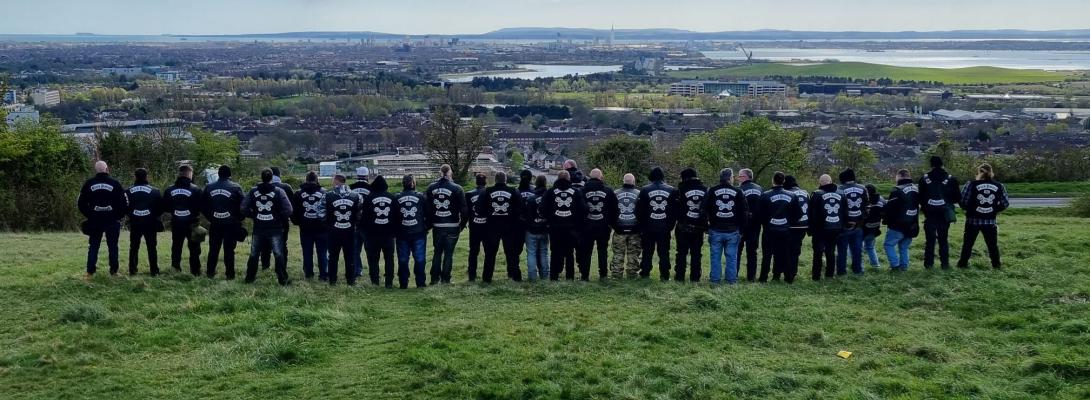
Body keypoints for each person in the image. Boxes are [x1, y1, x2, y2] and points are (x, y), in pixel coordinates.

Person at [242, 169, 293, 285]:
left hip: (259, 227)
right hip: (275, 228)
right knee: (279, 254)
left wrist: (254, 215)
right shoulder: (279, 191)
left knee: (254, 254)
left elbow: (243, 208)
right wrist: (278, 217)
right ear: (271, 178)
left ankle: (249, 278)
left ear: (261, 177)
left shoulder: (253, 191)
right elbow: (289, 209)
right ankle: (283, 280)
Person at [78, 161, 127, 278]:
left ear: (96, 170)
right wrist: (117, 216)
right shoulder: (115, 183)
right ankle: (114, 272)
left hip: (95, 221)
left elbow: (80, 203)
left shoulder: (89, 183)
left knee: (94, 246)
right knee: (113, 246)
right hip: (112, 221)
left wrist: (90, 214)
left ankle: (90, 272)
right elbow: (124, 203)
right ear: (107, 169)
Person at [957, 163, 1009, 270]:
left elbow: (962, 201)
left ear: (978, 172)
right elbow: (1005, 203)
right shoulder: (999, 186)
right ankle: (996, 265)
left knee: (967, 245)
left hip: (972, 221)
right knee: (992, 246)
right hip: (990, 221)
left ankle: (962, 265)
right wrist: (994, 210)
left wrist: (968, 209)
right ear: (991, 172)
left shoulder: (971, 184)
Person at [477, 172, 524, 283]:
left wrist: (489, 214)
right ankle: (515, 276)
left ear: (495, 180)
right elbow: (521, 208)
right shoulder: (514, 191)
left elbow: (479, 209)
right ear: (506, 179)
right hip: (510, 227)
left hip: (491, 227)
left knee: (490, 254)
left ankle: (487, 278)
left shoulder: (486, 191)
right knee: (512, 253)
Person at [703, 168, 748, 285]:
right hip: (733, 231)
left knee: (715, 257)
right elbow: (744, 212)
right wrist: (742, 229)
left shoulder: (711, 190)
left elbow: (703, 210)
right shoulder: (738, 191)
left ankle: (715, 281)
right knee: (732, 257)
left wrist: (706, 227)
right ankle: (731, 282)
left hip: (715, 229)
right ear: (731, 178)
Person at [757, 172, 803, 283]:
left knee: (767, 255)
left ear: (773, 180)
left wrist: (765, 223)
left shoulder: (765, 195)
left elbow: (758, 214)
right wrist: (789, 222)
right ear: (783, 181)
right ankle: (787, 278)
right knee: (784, 254)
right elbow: (799, 214)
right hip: (785, 230)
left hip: (769, 230)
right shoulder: (792, 196)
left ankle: (763, 278)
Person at [425, 164, 466, 285]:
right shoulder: (457, 188)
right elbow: (464, 210)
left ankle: (434, 279)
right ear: (450, 173)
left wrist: (429, 225)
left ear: (440, 173)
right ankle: (446, 279)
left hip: (437, 225)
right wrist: (462, 225)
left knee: (437, 252)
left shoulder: (431, 188)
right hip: (452, 225)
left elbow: (427, 209)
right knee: (449, 253)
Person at [541, 170, 585, 280]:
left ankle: (554, 277)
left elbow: (541, 209)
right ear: (569, 179)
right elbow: (583, 209)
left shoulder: (550, 192)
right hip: (571, 228)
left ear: (557, 178)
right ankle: (570, 277)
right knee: (569, 253)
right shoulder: (576, 192)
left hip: (555, 228)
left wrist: (549, 219)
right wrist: (576, 222)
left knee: (555, 252)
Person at [918, 156, 961, 269]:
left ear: (931, 165)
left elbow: (920, 198)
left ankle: (928, 264)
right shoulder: (951, 179)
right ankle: (945, 264)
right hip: (944, 214)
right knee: (943, 240)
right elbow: (957, 198)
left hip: (929, 214)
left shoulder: (924, 179)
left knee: (930, 241)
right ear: (942, 164)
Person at [636, 167, 677, 281]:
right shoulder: (672, 190)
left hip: (648, 228)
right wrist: (670, 226)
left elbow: (639, 211)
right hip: (664, 228)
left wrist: (642, 226)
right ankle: (665, 275)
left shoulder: (644, 190)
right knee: (664, 252)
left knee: (647, 251)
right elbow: (674, 211)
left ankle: (645, 273)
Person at [203, 165, 244, 279]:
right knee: (229, 250)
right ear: (229, 175)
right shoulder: (236, 187)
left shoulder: (209, 187)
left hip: (215, 223)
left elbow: (203, 205)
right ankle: (230, 275)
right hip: (231, 224)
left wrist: (210, 217)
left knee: (214, 249)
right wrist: (239, 219)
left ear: (219, 174)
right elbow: (243, 206)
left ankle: (210, 273)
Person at [164, 164, 203, 276]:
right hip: (193, 223)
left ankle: (175, 268)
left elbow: (166, 207)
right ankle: (195, 271)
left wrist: (176, 211)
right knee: (195, 248)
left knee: (176, 246)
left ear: (179, 174)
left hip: (176, 222)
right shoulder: (196, 189)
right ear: (189, 174)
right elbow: (200, 206)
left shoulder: (169, 189)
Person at [578, 168, 617, 280]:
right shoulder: (609, 191)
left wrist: (581, 224)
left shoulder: (582, 191)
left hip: (586, 227)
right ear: (601, 177)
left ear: (590, 177)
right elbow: (615, 209)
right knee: (602, 251)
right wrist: (611, 224)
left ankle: (584, 276)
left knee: (586, 252)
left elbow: (578, 209)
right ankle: (603, 275)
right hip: (603, 226)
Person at [360, 175, 399, 287]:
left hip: (372, 235)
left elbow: (364, 218)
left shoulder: (368, 198)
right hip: (388, 235)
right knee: (389, 259)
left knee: (373, 259)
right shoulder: (392, 198)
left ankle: (375, 281)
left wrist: (364, 232)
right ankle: (389, 282)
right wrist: (394, 232)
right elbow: (397, 217)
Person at [671, 168, 707, 282]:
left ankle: (679, 277)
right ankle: (695, 278)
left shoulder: (680, 190)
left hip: (683, 227)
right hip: (699, 228)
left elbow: (675, 209)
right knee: (696, 254)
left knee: (681, 253)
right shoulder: (705, 190)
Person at [324, 174, 361, 285]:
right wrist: (354, 223)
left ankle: (332, 280)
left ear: (336, 181)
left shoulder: (327, 195)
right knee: (350, 256)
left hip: (333, 231)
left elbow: (320, 213)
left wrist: (327, 223)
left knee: (333, 257)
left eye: (332, 180)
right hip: (350, 231)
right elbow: (360, 214)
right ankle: (351, 280)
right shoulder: (356, 196)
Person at [125, 168, 163, 276]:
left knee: (134, 247)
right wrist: (152, 215)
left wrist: (132, 215)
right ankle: (154, 271)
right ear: (147, 177)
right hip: (150, 223)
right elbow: (160, 208)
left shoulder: (127, 191)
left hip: (135, 222)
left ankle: (132, 270)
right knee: (152, 247)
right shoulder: (155, 191)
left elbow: (124, 207)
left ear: (135, 177)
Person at [809, 174, 846, 281]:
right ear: (831, 181)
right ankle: (829, 275)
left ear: (820, 183)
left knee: (818, 252)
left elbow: (812, 214)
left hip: (820, 230)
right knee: (831, 251)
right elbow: (844, 212)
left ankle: (816, 276)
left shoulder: (816, 194)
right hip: (835, 228)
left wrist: (811, 229)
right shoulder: (841, 193)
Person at [883, 169, 921, 271]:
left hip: (897, 225)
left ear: (899, 176)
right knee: (904, 246)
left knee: (888, 244)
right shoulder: (916, 189)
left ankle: (895, 266)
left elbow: (890, 208)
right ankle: (904, 267)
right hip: (912, 224)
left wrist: (885, 220)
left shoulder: (896, 190)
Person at [292, 172, 328, 280]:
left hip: (305, 228)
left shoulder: (298, 194)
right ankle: (323, 274)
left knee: (307, 252)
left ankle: (308, 273)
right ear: (317, 180)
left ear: (305, 179)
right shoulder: (324, 193)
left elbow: (294, 211)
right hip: (321, 228)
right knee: (322, 252)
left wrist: (298, 222)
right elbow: (329, 211)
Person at [395, 175, 427, 288]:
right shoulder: (421, 197)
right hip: (418, 233)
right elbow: (428, 214)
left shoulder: (396, 197)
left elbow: (393, 216)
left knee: (403, 260)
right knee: (420, 259)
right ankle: (420, 283)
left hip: (402, 234)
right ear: (413, 183)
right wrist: (426, 227)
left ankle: (403, 283)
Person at [836, 168, 869, 276]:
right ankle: (858, 270)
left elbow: (838, 209)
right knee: (857, 250)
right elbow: (867, 207)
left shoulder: (839, 189)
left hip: (844, 226)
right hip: (858, 225)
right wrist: (861, 221)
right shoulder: (863, 188)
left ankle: (841, 272)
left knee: (842, 251)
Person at [262, 167, 294, 270]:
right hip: (282, 221)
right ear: (279, 175)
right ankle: (281, 266)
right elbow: (291, 206)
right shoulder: (286, 187)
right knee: (282, 244)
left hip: (264, 220)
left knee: (265, 244)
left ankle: (265, 265)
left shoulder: (261, 187)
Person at [610, 173, 642, 279]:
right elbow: (643, 213)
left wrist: (614, 226)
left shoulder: (615, 193)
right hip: (635, 229)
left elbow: (611, 212)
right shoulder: (639, 194)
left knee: (618, 253)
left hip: (619, 229)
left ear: (623, 181)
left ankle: (616, 275)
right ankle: (632, 274)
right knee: (633, 253)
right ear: (634, 181)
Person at [737, 168, 763, 282]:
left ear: (746, 177)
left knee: (737, 250)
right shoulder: (760, 189)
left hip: (741, 225)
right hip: (755, 225)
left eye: (740, 176)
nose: (738, 178)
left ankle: (734, 275)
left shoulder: (739, 190)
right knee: (752, 251)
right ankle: (751, 277)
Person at [783, 175, 809, 282]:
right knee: (796, 250)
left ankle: (787, 273)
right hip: (803, 225)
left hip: (790, 226)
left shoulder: (787, 193)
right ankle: (793, 272)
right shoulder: (805, 193)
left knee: (787, 250)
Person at [524, 175, 550, 281]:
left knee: (531, 253)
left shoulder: (531, 198)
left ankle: (532, 276)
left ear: (536, 183)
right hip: (544, 229)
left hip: (532, 230)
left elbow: (528, 216)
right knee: (544, 253)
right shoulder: (549, 197)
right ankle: (545, 276)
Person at [464, 173, 488, 282]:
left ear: (476, 182)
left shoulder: (469, 194)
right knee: (489, 252)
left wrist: (464, 223)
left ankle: (472, 275)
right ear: (485, 182)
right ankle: (487, 275)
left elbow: (466, 212)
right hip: (487, 227)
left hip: (474, 226)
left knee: (473, 252)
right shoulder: (489, 193)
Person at [349, 167, 372, 279]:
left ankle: (357, 270)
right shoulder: (371, 188)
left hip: (354, 223)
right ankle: (373, 269)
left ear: (357, 175)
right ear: (367, 176)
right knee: (370, 249)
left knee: (355, 249)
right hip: (368, 224)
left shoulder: (351, 188)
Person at [862, 184, 886, 270]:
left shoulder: (865, 201)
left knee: (856, 248)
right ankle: (876, 265)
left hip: (863, 230)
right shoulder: (882, 200)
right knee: (870, 247)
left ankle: (858, 267)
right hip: (875, 229)